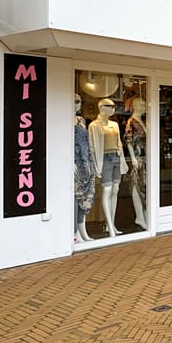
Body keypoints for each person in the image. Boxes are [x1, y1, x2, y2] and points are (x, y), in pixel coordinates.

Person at [89, 98, 127, 237]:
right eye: (110, 106)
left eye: (114, 106)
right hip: (104, 158)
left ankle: (111, 224)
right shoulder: (93, 126)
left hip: (116, 157)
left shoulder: (115, 125)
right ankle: (110, 226)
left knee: (115, 190)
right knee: (107, 190)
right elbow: (92, 147)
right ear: (101, 107)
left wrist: (122, 160)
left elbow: (119, 143)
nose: (113, 108)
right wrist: (95, 165)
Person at [73, 94, 95, 242]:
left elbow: (87, 142)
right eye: (75, 101)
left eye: (79, 101)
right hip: (74, 163)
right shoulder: (63, 120)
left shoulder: (81, 121)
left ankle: (83, 231)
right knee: (76, 197)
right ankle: (75, 232)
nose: (78, 104)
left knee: (86, 197)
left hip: (85, 162)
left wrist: (91, 162)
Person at [123, 97, 148, 230]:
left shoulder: (143, 121)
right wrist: (133, 158)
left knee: (144, 187)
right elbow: (128, 140)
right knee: (137, 185)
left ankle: (144, 214)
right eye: (142, 105)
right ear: (137, 106)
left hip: (146, 158)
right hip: (138, 158)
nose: (145, 107)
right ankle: (139, 217)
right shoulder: (131, 122)